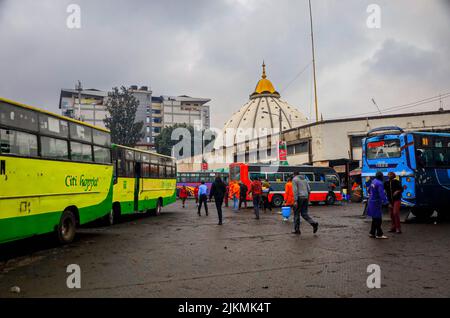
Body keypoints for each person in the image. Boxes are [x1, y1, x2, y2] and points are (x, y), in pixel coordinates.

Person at [367, 171, 389, 239]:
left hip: (371, 201)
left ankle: (372, 233)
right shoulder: (380, 183)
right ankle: (379, 234)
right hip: (376, 202)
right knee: (378, 219)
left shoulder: (373, 181)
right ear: (381, 176)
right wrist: (386, 202)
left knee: (374, 219)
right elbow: (381, 194)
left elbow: (368, 190)